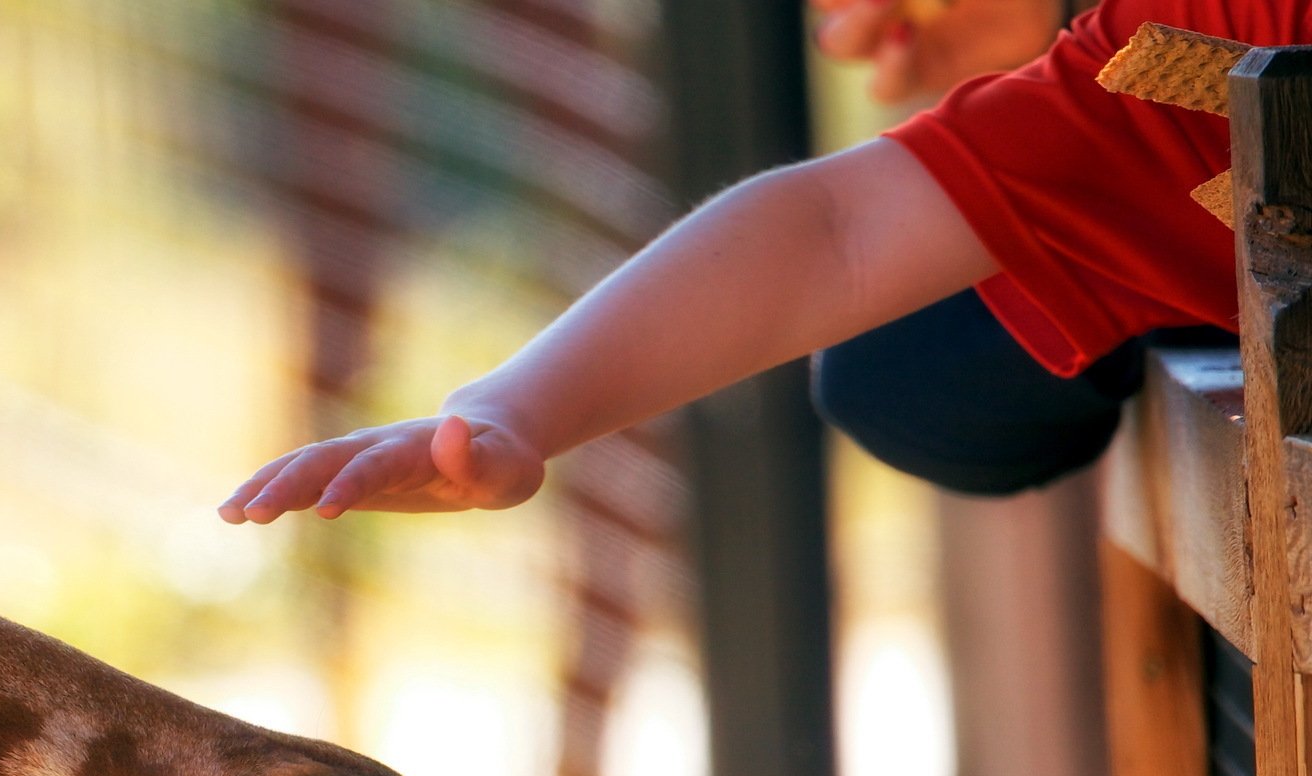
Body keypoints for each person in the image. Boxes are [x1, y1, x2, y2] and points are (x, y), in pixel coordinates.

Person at [219, 0, 1280, 524]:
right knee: (907, 374)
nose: (853, 39)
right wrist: (512, 408)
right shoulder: (1188, 60)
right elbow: (839, 233)